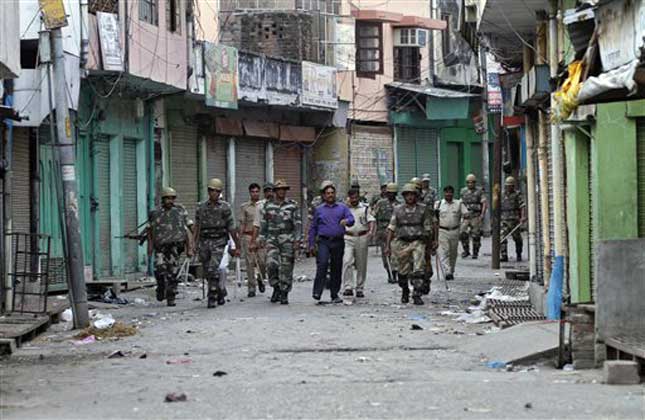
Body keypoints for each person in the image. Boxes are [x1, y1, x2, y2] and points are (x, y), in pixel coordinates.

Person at [252, 179, 302, 304]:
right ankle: (276, 287)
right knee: (270, 264)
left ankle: (284, 292)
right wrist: (260, 238)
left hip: (287, 240)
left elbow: (297, 224)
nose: (281, 192)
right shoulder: (268, 206)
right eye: (279, 189)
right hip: (272, 240)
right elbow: (263, 225)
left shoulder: (292, 205)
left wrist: (297, 240)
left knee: (286, 267)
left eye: (283, 189)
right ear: (275, 191)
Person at [384, 183, 434, 305]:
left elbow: (428, 228)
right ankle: (405, 290)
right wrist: (387, 245)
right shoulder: (398, 209)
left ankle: (416, 293)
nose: (410, 197)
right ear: (404, 196)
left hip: (418, 242)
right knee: (402, 271)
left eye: (412, 194)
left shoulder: (423, 209)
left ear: (416, 196)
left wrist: (429, 246)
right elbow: (391, 227)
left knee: (418, 268)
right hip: (401, 242)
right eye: (407, 195)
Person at [194, 178, 241, 308]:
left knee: (213, 268)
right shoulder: (201, 207)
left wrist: (237, 244)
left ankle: (212, 297)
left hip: (219, 241)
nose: (213, 193)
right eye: (211, 190)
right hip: (204, 241)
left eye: (216, 191)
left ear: (220, 192)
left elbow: (231, 227)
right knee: (207, 270)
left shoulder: (225, 207)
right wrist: (194, 243)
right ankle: (220, 291)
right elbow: (197, 227)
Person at [309, 182, 354, 303]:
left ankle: (334, 294)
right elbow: (313, 227)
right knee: (322, 264)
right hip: (323, 241)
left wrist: (347, 221)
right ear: (324, 195)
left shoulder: (342, 207)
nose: (330, 195)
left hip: (338, 241)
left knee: (336, 267)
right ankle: (317, 292)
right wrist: (311, 244)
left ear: (335, 194)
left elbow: (351, 219)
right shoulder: (319, 210)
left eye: (332, 193)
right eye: (328, 193)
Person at [147, 187, 193, 307]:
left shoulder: (180, 211)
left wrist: (190, 247)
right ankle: (161, 288)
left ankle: (171, 296)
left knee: (173, 273)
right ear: (163, 199)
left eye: (172, 198)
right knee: (159, 270)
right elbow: (150, 231)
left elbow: (187, 229)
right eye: (167, 198)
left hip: (174, 248)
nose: (170, 201)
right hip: (160, 248)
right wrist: (150, 247)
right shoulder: (155, 213)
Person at [342, 189, 375, 298]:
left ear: (359, 197)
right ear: (349, 198)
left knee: (361, 264)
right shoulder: (344, 208)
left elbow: (371, 220)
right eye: (352, 198)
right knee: (347, 261)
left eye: (356, 197)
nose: (354, 200)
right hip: (348, 236)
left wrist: (371, 232)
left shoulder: (365, 208)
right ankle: (348, 286)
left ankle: (360, 287)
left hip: (362, 237)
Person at [435, 185, 469, 280]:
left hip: (455, 231)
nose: (448, 194)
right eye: (447, 192)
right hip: (442, 231)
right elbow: (434, 218)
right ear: (444, 193)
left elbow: (466, 216)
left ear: (453, 193)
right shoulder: (438, 204)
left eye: (450, 192)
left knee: (453, 253)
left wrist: (463, 229)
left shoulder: (459, 204)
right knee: (445, 251)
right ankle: (447, 271)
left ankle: (451, 270)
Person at [239, 183, 266, 298]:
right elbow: (242, 224)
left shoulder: (264, 205)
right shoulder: (245, 207)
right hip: (248, 236)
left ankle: (261, 278)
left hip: (261, 236)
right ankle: (251, 287)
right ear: (249, 193)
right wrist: (239, 241)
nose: (255, 193)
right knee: (250, 263)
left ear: (259, 192)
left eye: (256, 191)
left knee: (262, 261)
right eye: (253, 191)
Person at [372, 182, 400, 284]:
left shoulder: (399, 204)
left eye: (393, 193)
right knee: (386, 255)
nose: (391, 195)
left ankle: (395, 273)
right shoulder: (380, 203)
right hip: (383, 231)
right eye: (389, 193)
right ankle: (389, 274)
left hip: (395, 232)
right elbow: (373, 216)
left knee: (395, 254)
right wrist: (375, 232)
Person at [460, 174, 488, 259]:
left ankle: (475, 252)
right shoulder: (463, 191)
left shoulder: (479, 191)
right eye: (468, 182)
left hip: (476, 215)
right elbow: (461, 203)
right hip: (466, 215)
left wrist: (482, 214)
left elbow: (484, 203)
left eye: (472, 182)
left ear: (475, 183)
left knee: (476, 234)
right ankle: (466, 250)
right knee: (462, 233)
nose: (470, 184)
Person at [252, 182, 274, 284]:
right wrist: (253, 241)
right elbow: (256, 224)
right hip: (263, 237)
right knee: (261, 262)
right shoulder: (260, 206)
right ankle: (261, 277)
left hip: (275, 237)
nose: (269, 193)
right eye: (267, 191)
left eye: (271, 190)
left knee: (273, 262)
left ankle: (274, 284)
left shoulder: (278, 204)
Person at [501, 176, 526, 262]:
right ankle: (504, 255)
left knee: (517, 238)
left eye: (510, 185)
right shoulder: (502, 194)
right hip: (504, 219)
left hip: (514, 219)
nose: (509, 187)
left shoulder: (517, 194)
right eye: (507, 185)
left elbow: (522, 206)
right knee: (502, 238)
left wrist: (522, 217)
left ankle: (518, 254)